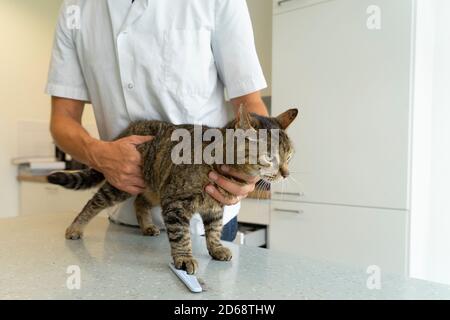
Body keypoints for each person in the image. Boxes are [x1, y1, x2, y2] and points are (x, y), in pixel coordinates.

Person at [46, 0, 268, 241]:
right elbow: (62, 120)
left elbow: (250, 105)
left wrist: (255, 168)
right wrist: (98, 154)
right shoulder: (76, 8)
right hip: (126, 215)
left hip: (207, 214)